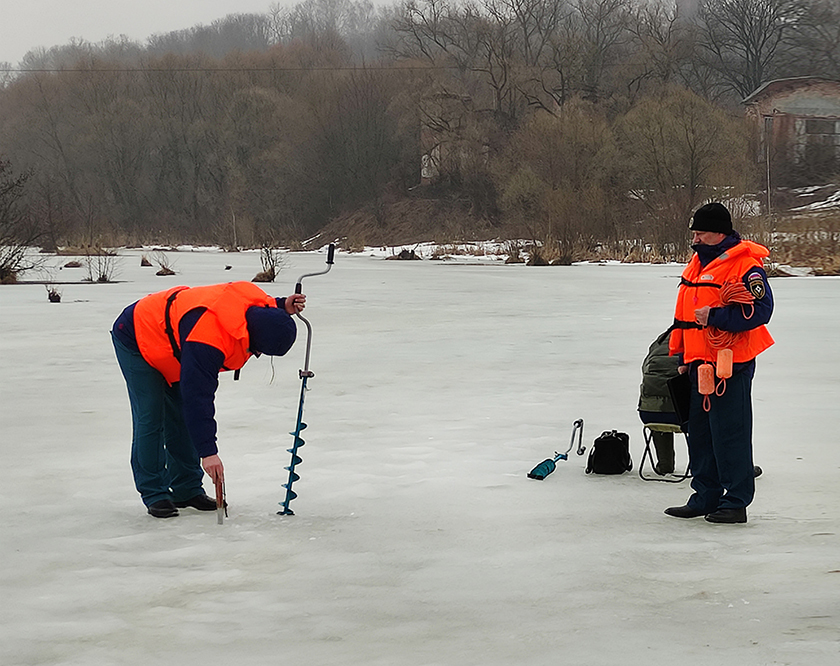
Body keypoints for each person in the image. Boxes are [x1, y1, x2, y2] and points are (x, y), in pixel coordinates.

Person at [111, 281, 306, 518]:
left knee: (181, 416)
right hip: (137, 334)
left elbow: (263, 306)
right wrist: (208, 452)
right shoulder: (208, 339)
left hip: (175, 341)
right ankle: (154, 493)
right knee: (151, 415)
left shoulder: (257, 303)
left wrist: (281, 304)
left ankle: (187, 490)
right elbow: (198, 398)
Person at [665, 202, 774, 524]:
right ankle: (705, 496)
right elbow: (685, 316)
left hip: (732, 363)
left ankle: (736, 502)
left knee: (730, 434)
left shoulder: (746, 266)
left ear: (719, 233)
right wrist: (684, 357)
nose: (695, 239)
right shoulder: (698, 263)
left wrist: (715, 316)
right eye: (694, 233)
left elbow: (761, 310)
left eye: (701, 233)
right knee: (700, 434)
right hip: (699, 363)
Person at [638, 328, 682, 475]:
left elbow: (645, 370)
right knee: (705, 418)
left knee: (659, 405)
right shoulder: (693, 343)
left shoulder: (659, 341)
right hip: (682, 417)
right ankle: (700, 466)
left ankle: (665, 465)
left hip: (648, 414)